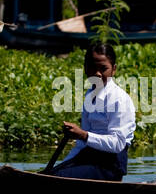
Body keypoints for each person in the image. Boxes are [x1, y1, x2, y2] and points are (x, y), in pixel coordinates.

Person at [50, 43, 135, 181]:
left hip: (109, 165)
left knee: (56, 178)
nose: (97, 73)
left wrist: (83, 135)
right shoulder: (90, 96)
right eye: (92, 68)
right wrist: (61, 166)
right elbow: (81, 145)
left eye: (103, 69)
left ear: (113, 70)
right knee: (52, 176)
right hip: (89, 158)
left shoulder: (119, 99)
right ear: (85, 69)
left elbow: (118, 144)